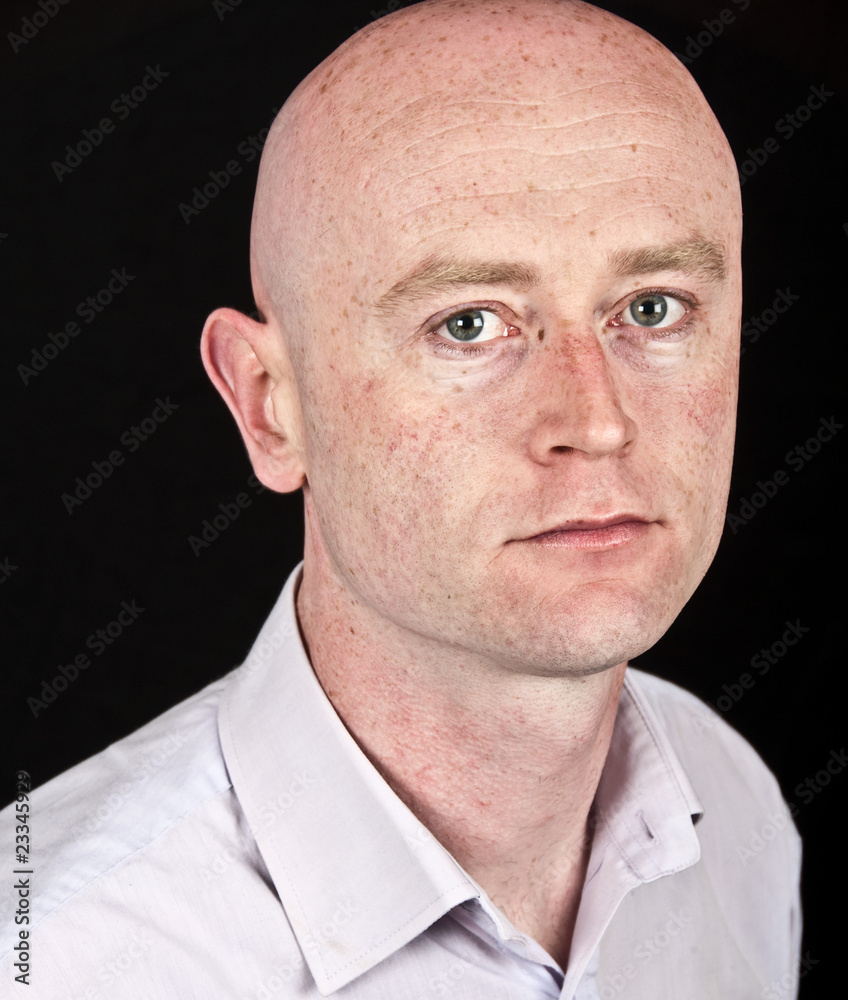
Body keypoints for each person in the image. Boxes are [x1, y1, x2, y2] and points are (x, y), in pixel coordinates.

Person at [1, 1, 801, 996]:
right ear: (268, 404)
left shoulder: (733, 811)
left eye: (650, 307)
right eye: (468, 323)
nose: (595, 420)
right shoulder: (54, 957)